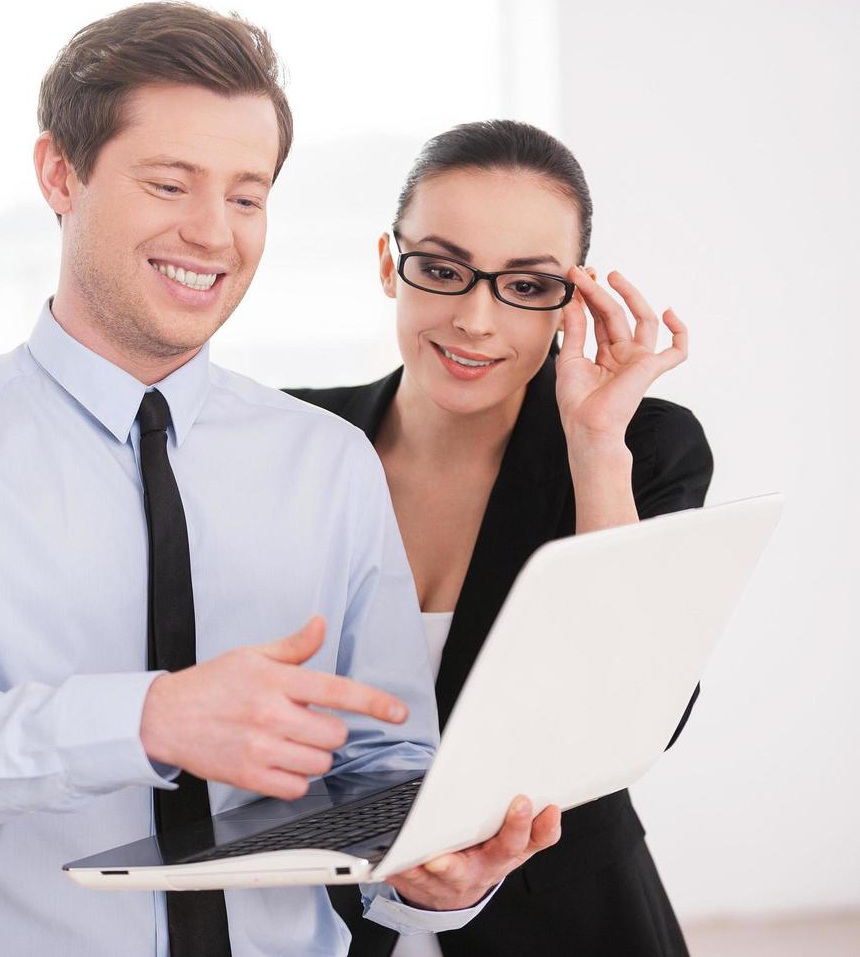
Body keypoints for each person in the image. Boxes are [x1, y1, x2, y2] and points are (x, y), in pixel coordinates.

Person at [0, 3, 559, 957]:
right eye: (170, 183)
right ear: (58, 175)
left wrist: (433, 874)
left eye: (246, 196)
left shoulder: (325, 460)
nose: (212, 233)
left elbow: (386, 766)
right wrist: (147, 719)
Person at [289, 119, 712, 957]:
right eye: (441, 271)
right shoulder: (293, 439)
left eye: (525, 286)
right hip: (324, 919)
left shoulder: (639, 445)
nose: (476, 320)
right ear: (388, 264)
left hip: (563, 923)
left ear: (572, 297)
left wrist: (596, 449)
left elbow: (635, 721)